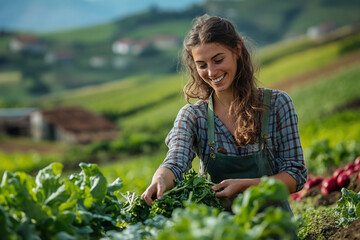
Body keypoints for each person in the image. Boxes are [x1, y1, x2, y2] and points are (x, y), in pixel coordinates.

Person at [141, 14, 307, 214]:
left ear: (237, 50)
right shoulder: (194, 116)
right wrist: (159, 178)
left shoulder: (277, 104)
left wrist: (246, 185)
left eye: (218, 60)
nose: (211, 72)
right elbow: (176, 161)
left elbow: (295, 176)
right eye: (202, 65)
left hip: (274, 228)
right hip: (219, 230)